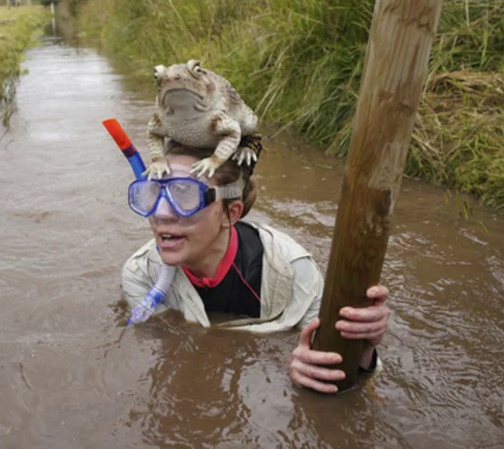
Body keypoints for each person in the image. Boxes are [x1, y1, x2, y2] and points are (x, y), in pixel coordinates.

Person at [121, 142, 391, 394]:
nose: (162, 213)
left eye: (186, 194)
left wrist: (361, 350)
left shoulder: (293, 271)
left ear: (232, 213)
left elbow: (339, 371)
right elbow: (168, 352)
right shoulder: (141, 274)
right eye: (155, 193)